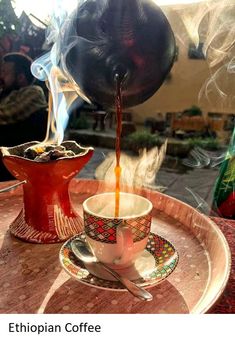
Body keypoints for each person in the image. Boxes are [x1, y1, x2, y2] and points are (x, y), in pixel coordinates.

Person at [0, 52, 48, 180]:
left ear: (20, 77)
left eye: (5, 72)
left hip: (13, 165)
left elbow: (5, 115)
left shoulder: (34, 92)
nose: (1, 76)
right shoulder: (7, 93)